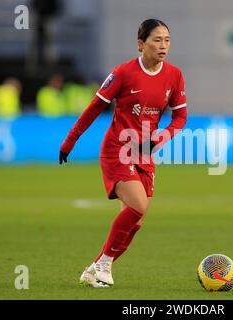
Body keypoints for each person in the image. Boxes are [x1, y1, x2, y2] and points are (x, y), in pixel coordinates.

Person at [59, 19, 187, 288]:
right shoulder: (124, 73)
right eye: (157, 40)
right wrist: (70, 141)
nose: (163, 46)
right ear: (141, 44)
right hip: (118, 149)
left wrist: (159, 138)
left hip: (144, 153)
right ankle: (105, 264)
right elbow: (94, 107)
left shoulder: (174, 75)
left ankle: (94, 267)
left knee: (135, 221)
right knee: (138, 206)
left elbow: (180, 117)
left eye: (167, 40)